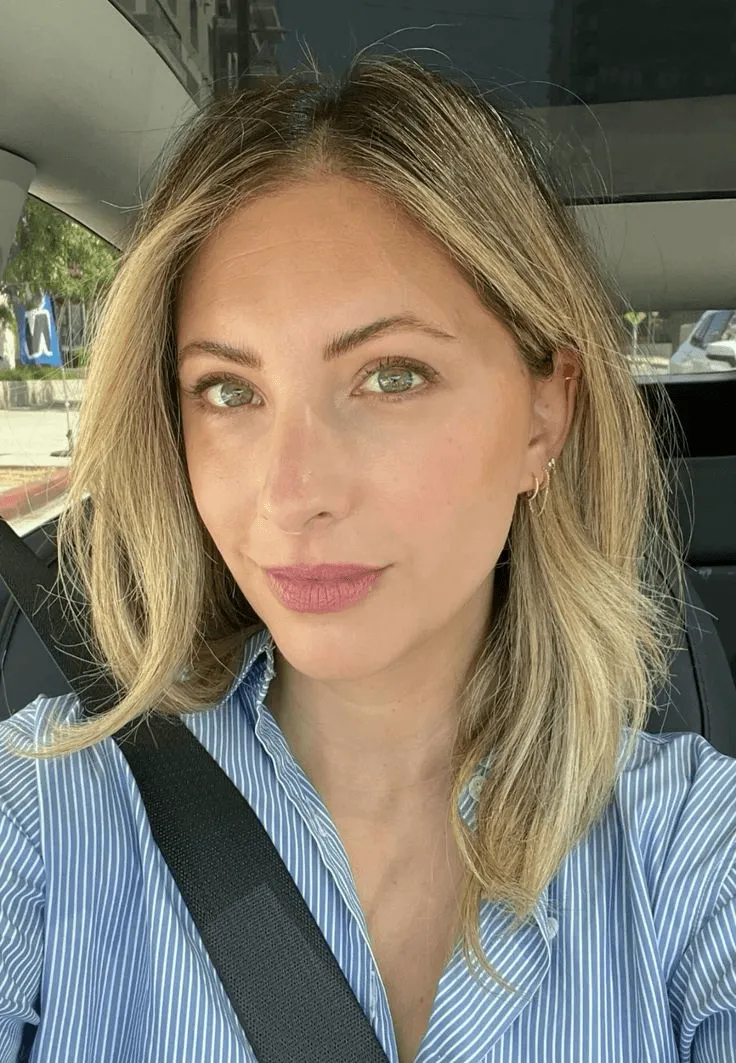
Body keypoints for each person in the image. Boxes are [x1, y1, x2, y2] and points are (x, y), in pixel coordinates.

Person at [1, 53, 735, 1063]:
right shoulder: (47, 806)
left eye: (391, 376)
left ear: (543, 415)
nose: (293, 492)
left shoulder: (688, 850)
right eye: (228, 390)